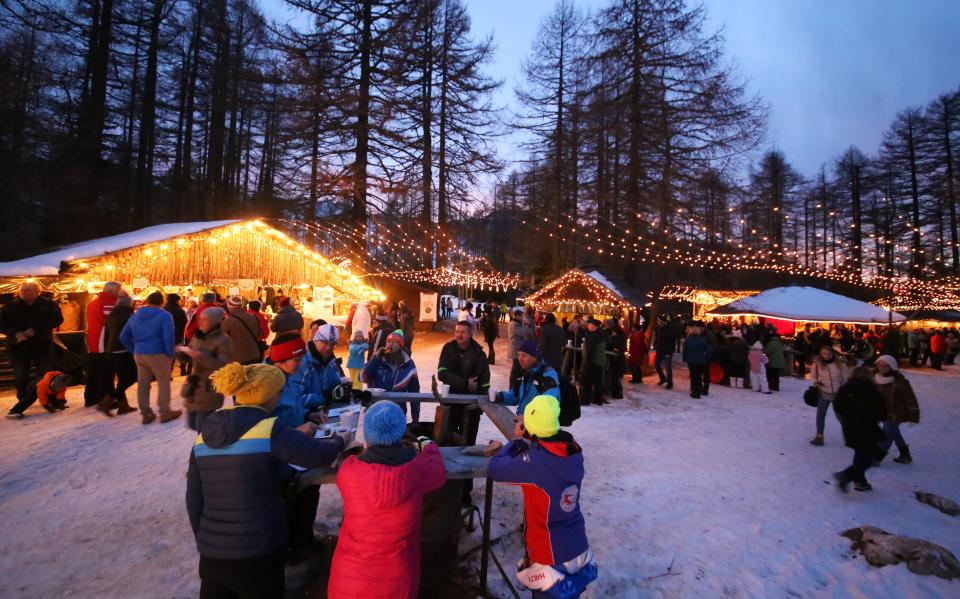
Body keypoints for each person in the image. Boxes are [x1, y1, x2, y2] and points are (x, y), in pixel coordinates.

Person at [186, 362, 347, 599]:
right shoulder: (269, 429)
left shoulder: (205, 435)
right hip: (259, 550)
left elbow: (194, 497)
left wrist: (206, 539)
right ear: (268, 396)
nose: (281, 398)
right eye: (279, 393)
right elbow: (317, 455)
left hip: (213, 556)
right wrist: (339, 440)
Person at [328, 401, 446, 599]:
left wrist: (356, 450)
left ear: (368, 436)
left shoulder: (349, 472)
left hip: (350, 581)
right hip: (398, 582)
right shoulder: (417, 469)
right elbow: (438, 474)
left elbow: (346, 463)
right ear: (400, 433)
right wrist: (430, 448)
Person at [488, 395, 598, 598]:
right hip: (577, 548)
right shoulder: (573, 451)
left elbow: (495, 469)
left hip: (550, 554)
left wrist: (516, 442)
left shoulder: (534, 464)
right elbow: (547, 450)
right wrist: (532, 436)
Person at [120, 291, 180, 425]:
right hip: (158, 353)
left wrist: (133, 349)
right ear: (162, 302)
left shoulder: (136, 315)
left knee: (143, 384)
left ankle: (146, 414)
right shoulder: (164, 315)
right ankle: (165, 412)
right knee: (163, 382)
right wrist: (170, 353)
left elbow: (123, 336)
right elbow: (168, 336)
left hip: (140, 353)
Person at [1, 282, 64, 406]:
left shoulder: (49, 305)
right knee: (21, 376)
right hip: (18, 346)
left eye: (29, 290)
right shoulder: (10, 307)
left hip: (41, 345)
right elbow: (2, 324)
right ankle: (23, 401)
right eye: (23, 290)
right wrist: (15, 333)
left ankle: (51, 400)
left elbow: (57, 320)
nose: (25, 292)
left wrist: (35, 330)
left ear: (37, 292)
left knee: (47, 374)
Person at [438, 320, 491, 455]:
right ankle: (448, 474)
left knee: (468, 443)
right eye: (457, 331)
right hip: (451, 403)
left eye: (463, 332)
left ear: (470, 334)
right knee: (447, 441)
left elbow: (485, 381)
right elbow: (442, 374)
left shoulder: (479, 354)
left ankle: (467, 475)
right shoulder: (448, 349)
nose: (459, 335)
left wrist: (481, 404)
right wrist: (465, 383)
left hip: (471, 406)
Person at [832, 367, 887, 492]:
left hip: (850, 427)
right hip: (867, 428)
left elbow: (837, 406)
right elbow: (881, 412)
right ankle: (847, 476)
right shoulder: (872, 390)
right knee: (870, 456)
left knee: (862, 452)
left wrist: (846, 420)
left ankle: (859, 480)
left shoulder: (845, 389)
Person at [178, 307, 232, 432]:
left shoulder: (224, 340)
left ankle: (206, 448)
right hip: (194, 386)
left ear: (215, 321)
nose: (201, 322)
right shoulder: (198, 336)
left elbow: (222, 365)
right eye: (200, 319)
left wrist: (200, 356)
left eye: (205, 319)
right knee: (192, 424)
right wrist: (180, 353)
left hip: (209, 388)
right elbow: (188, 358)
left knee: (201, 426)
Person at [362, 330, 420, 422]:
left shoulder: (408, 364)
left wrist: (415, 416)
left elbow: (415, 391)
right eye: (389, 341)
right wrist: (375, 359)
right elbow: (363, 378)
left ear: (401, 345)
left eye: (395, 342)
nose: (391, 344)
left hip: (398, 414)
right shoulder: (377, 360)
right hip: (376, 413)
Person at [875, 354, 920, 465]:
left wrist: (913, 416)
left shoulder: (900, 381)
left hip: (896, 413)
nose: (882, 368)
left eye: (885, 366)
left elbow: (910, 399)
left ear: (892, 367)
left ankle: (876, 459)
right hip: (882, 412)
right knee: (894, 432)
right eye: (880, 365)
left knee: (886, 436)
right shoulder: (874, 377)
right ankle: (905, 454)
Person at [496, 340, 561, 415]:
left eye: (524, 355)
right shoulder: (524, 372)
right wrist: (501, 396)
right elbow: (515, 396)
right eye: (519, 355)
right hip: (522, 422)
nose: (520, 359)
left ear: (534, 357)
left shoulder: (548, 374)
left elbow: (549, 404)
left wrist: (527, 418)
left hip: (540, 425)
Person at [98, 294, 138, 416]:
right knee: (131, 377)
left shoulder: (111, 316)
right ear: (129, 304)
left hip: (111, 351)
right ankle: (108, 400)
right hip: (124, 351)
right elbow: (134, 334)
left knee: (122, 378)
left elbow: (105, 335)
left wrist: (105, 351)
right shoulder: (130, 316)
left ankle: (122, 405)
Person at [82, 281, 120, 406]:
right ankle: (107, 399)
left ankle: (91, 398)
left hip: (94, 342)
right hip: (104, 343)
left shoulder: (93, 302)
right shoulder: (109, 303)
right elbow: (114, 323)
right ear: (111, 291)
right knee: (107, 372)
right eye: (119, 290)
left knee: (94, 372)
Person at [809, 344, 849, 446]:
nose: (826, 356)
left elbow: (846, 379)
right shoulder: (817, 364)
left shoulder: (840, 365)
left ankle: (849, 436)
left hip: (838, 393)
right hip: (824, 392)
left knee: (841, 416)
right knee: (820, 416)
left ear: (833, 354)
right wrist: (816, 382)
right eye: (823, 354)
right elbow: (813, 377)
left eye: (828, 354)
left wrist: (846, 391)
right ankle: (819, 436)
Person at [6, 371, 76, 419]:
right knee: (29, 399)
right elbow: (42, 397)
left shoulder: (62, 385)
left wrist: (59, 404)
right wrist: (46, 406)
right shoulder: (42, 385)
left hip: (49, 389)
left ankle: (55, 405)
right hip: (34, 387)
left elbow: (60, 394)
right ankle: (14, 411)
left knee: (56, 397)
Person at [221, 296, 263, 365]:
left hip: (238, 359)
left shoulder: (227, 322)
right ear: (241, 306)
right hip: (255, 354)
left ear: (229, 307)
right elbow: (259, 335)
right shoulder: (253, 317)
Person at [581, 319, 607, 405]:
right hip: (600, 362)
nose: (587, 326)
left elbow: (590, 351)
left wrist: (587, 362)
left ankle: (585, 400)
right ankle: (598, 399)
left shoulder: (592, 336)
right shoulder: (602, 334)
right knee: (598, 382)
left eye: (588, 324)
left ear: (592, 326)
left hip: (592, 362)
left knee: (587, 382)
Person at [682, 324, 711, 399]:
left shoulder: (688, 340)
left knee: (693, 375)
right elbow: (707, 351)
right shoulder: (703, 340)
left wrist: (684, 358)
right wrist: (706, 358)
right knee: (698, 376)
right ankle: (698, 391)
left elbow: (685, 350)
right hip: (701, 361)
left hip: (691, 360)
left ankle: (694, 391)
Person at [653, 316, 676, 389]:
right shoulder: (658, 329)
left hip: (667, 352)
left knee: (668, 368)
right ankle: (662, 378)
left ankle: (670, 383)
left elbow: (672, 342)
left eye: (659, 321)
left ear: (663, 322)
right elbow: (657, 338)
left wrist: (669, 353)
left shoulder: (670, 330)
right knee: (656, 365)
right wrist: (655, 344)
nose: (658, 322)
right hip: (659, 350)